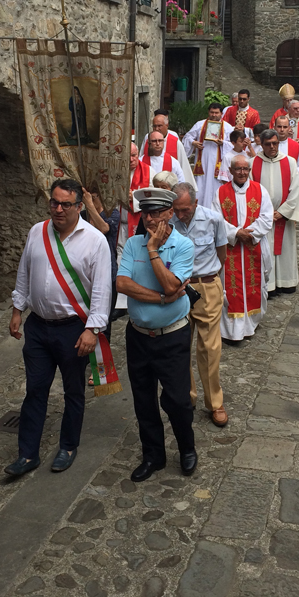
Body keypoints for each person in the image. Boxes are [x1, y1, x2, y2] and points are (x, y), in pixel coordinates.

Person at [7, 178, 112, 476]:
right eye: (54, 202)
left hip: (73, 329)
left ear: (79, 206)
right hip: (38, 327)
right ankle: (27, 454)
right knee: (35, 390)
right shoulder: (37, 231)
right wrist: (17, 309)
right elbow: (24, 272)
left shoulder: (95, 241)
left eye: (66, 204)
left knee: (73, 391)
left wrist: (93, 329)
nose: (58, 209)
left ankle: (68, 446)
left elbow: (102, 290)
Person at [116, 188, 197, 481]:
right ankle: (153, 455)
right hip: (138, 335)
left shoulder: (183, 245)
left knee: (177, 399)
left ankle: (187, 448)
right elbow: (122, 284)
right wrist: (163, 299)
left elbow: (171, 284)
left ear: (170, 214)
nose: (149, 219)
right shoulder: (132, 244)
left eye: (156, 213)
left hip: (172, 336)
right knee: (143, 399)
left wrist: (153, 250)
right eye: (145, 213)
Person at [170, 183, 229, 426]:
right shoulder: (169, 222)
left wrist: (211, 281)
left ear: (195, 203)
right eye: (176, 209)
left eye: (185, 209)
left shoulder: (214, 219)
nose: (180, 214)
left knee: (209, 347)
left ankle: (215, 402)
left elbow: (222, 253)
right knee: (180, 343)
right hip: (178, 288)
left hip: (206, 286)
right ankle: (188, 395)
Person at [212, 155, 274, 342]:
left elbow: (267, 217)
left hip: (253, 246)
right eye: (238, 169)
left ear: (249, 170)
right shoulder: (221, 192)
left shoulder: (260, 190)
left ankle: (251, 322)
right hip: (230, 248)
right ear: (231, 171)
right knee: (230, 289)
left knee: (256, 285)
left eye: (245, 169)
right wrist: (236, 233)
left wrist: (250, 234)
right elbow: (216, 219)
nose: (242, 172)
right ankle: (231, 331)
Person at [250, 129, 299, 297]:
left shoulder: (290, 162)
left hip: (283, 217)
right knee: (266, 251)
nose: (272, 147)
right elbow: (250, 192)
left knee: (285, 249)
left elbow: (295, 190)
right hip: (263, 217)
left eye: (275, 143)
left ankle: (286, 282)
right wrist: (265, 214)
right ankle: (270, 285)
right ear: (261, 144)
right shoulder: (253, 163)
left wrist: (282, 212)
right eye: (268, 144)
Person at [114, 143, 156, 316]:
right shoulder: (115, 171)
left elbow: (152, 197)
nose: (131, 159)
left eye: (134, 155)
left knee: (137, 258)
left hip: (139, 223)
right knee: (120, 258)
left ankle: (136, 296)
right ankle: (121, 303)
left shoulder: (149, 172)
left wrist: (133, 198)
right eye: (128, 156)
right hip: (120, 223)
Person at [82, 184, 120, 343]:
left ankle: (103, 353)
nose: (90, 200)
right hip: (85, 272)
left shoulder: (112, 214)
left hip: (107, 273)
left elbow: (104, 228)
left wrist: (90, 206)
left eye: (94, 197)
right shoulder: (82, 216)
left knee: (104, 320)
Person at [183, 103, 234, 208]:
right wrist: (194, 143)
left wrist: (223, 143)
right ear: (208, 112)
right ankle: (199, 209)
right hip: (202, 163)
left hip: (218, 166)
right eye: (212, 112)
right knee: (201, 186)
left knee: (216, 188)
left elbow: (233, 145)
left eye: (216, 113)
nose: (214, 115)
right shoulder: (200, 125)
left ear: (221, 114)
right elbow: (187, 137)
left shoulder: (228, 128)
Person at [139, 111, 197, 187]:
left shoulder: (175, 141)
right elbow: (141, 157)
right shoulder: (148, 137)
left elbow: (183, 164)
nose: (156, 129)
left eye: (159, 126)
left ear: (167, 125)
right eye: (154, 126)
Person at [274, 116, 299, 211]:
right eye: (279, 126)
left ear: (289, 128)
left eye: (285, 127)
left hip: (291, 187)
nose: (282, 130)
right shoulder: (268, 145)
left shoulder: (296, 147)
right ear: (274, 127)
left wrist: (294, 174)